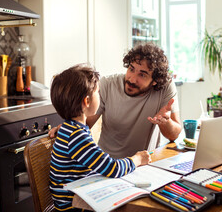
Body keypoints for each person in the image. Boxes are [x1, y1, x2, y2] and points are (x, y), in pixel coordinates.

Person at [50, 43, 182, 158]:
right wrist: (68, 128)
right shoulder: (107, 85)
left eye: (142, 74)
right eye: (131, 69)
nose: (131, 79)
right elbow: (85, 122)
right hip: (110, 164)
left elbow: (174, 135)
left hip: (147, 164)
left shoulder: (165, 88)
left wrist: (166, 122)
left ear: (155, 81)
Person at [49, 64, 151, 211]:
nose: (100, 95)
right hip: (74, 206)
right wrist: (137, 159)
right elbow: (112, 168)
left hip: (78, 198)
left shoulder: (71, 128)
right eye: (98, 92)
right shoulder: (76, 136)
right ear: (87, 101)